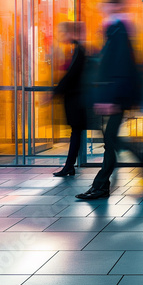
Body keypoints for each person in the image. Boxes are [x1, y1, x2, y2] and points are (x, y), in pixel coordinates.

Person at [76, 0, 143, 200]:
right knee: (111, 139)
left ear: (114, 6)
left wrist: (110, 98)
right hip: (118, 93)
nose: (102, 7)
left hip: (116, 95)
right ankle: (141, 166)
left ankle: (103, 184)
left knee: (111, 139)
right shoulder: (117, 29)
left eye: (106, 4)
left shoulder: (118, 30)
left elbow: (119, 66)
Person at [51, 21, 87, 177]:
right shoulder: (74, 50)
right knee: (76, 132)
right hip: (76, 99)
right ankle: (69, 166)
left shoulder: (78, 51)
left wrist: (55, 93)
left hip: (77, 99)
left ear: (70, 33)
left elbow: (71, 75)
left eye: (63, 32)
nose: (61, 36)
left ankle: (69, 166)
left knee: (76, 132)